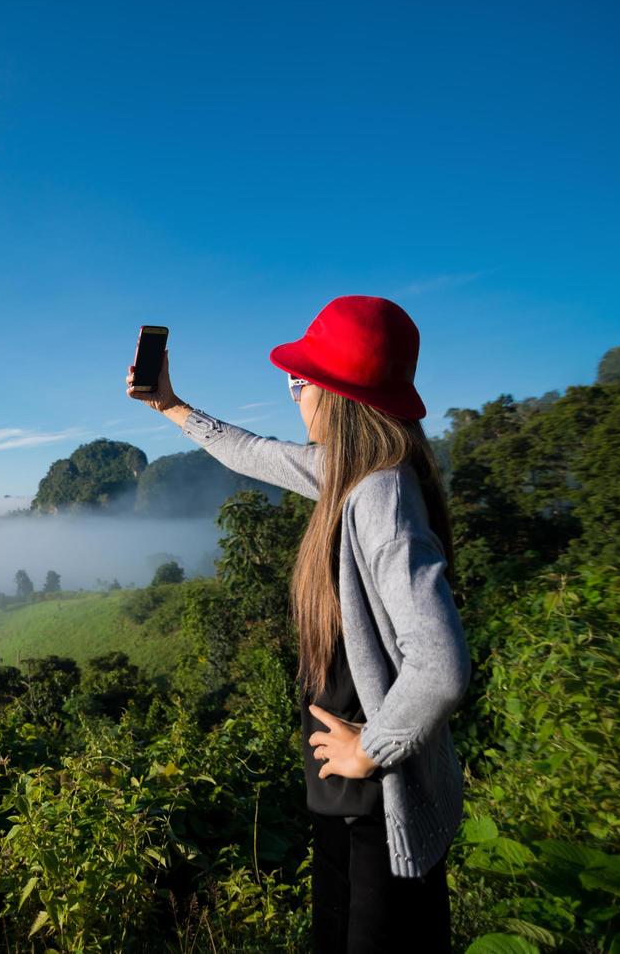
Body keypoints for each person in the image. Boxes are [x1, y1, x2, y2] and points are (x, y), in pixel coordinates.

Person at [124, 295, 470, 953]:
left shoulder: (378, 496)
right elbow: (250, 452)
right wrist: (169, 405)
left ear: (338, 393)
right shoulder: (352, 475)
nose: (292, 395)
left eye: (299, 381)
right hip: (350, 802)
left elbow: (441, 664)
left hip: (372, 805)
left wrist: (370, 750)